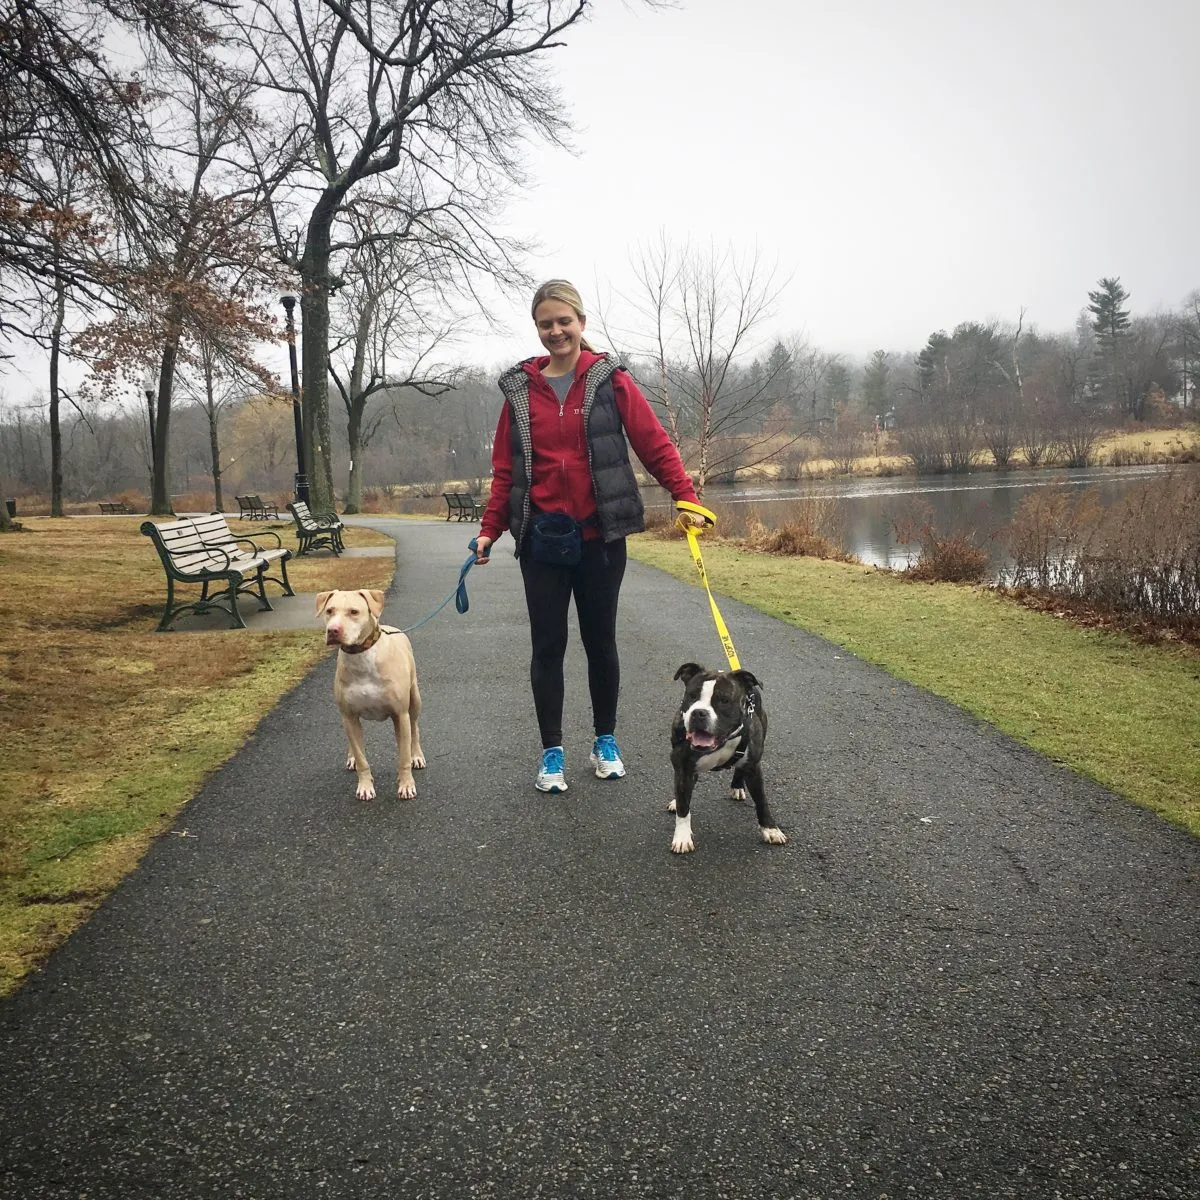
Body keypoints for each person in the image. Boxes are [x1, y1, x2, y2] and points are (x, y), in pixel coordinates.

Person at [473, 279, 702, 794]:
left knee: (601, 643)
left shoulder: (609, 381)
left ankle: (605, 740)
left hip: (600, 537)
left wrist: (685, 496)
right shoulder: (518, 391)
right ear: (537, 328)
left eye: (564, 321)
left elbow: (653, 442)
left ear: (581, 322)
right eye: (545, 323)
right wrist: (490, 532)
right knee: (547, 646)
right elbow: (505, 472)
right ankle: (551, 751)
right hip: (540, 541)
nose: (556, 331)